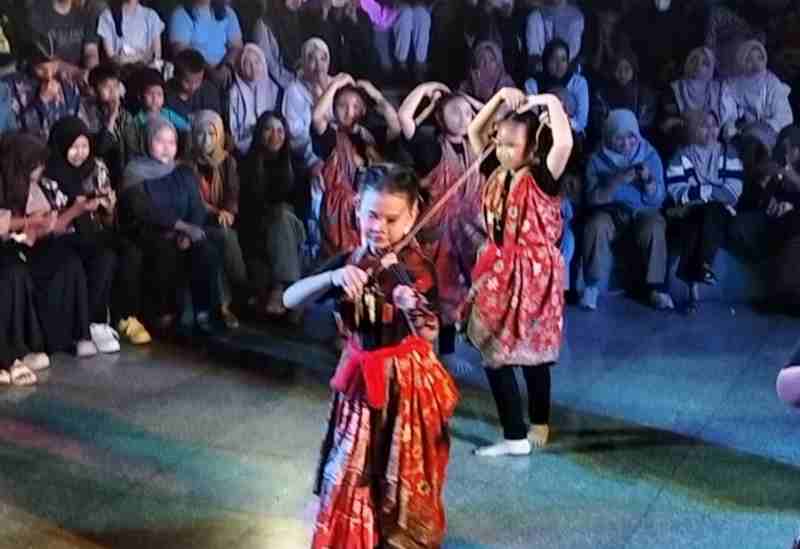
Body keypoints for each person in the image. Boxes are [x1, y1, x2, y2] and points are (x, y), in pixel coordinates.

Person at [283, 164, 459, 548]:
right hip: (361, 383)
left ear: (413, 215)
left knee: (400, 471)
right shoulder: (351, 259)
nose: (379, 227)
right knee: (353, 469)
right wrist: (331, 278)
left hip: (405, 380)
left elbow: (429, 330)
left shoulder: (415, 266)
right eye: (371, 215)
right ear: (357, 209)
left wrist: (406, 296)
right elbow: (288, 298)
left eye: (392, 219)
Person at [465, 88, 572, 455]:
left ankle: (537, 421)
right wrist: (497, 99)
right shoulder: (495, 171)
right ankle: (514, 433)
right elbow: (474, 134)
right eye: (501, 142)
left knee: (533, 355)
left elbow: (564, 144)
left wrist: (548, 102)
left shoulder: (542, 178)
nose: (502, 150)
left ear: (532, 149)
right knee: (495, 352)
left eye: (512, 145)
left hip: (534, 279)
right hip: (499, 271)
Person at [46, 116, 152, 345]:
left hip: (93, 232)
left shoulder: (96, 167)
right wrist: (79, 208)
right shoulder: (50, 174)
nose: (80, 153)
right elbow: (52, 227)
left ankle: (124, 316)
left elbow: (107, 221)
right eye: (73, 147)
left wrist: (109, 208)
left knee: (129, 250)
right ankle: (94, 323)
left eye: (84, 146)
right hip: (65, 237)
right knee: (105, 255)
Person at [398, 81, 485, 356]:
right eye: (455, 111)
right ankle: (422, 351)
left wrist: (467, 101)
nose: (463, 117)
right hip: (437, 236)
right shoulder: (432, 148)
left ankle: (447, 353)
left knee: (458, 298)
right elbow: (404, 119)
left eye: (467, 113)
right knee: (432, 293)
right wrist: (427, 89)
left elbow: (498, 115)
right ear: (439, 116)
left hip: (468, 233)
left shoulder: (479, 146)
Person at [0, 133, 103, 358]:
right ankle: (21, 348)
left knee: (68, 261)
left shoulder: (34, 186)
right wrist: (30, 222)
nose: (40, 169)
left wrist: (53, 220)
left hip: (29, 245)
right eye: (36, 164)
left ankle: (75, 335)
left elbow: (47, 228)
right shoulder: (4, 183)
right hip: (10, 249)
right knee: (14, 273)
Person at [118, 116, 223, 336]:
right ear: (147, 141)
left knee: (205, 248)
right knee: (163, 250)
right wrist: (181, 227)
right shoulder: (135, 172)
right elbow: (142, 209)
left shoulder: (183, 171)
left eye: (172, 142)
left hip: (182, 232)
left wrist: (188, 231)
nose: (167, 148)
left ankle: (206, 313)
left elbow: (197, 206)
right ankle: (162, 315)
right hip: (149, 232)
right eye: (160, 141)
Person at [580, 109, 672, 311]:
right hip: (611, 211)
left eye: (631, 137)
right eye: (619, 138)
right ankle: (592, 287)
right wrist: (617, 180)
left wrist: (648, 181)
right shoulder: (597, 159)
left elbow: (658, 199)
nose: (626, 144)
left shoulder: (649, 154)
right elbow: (592, 199)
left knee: (655, 226)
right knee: (596, 225)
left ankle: (656, 289)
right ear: (609, 137)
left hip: (642, 210)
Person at [312, 74, 401, 258]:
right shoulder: (331, 137)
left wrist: (375, 95)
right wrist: (335, 84)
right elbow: (317, 117)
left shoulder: (370, 136)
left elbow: (395, 126)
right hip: (338, 213)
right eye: (342, 106)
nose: (349, 112)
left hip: (370, 210)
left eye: (355, 106)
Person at [666, 110, 744, 312]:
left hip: (720, 213)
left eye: (714, 125)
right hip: (692, 212)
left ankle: (694, 276)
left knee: (710, 211)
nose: (710, 130)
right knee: (697, 218)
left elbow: (733, 192)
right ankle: (702, 271)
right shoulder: (681, 155)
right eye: (703, 125)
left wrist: (701, 192)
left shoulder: (729, 153)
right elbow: (677, 191)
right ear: (693, 130)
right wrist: (711, 191)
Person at [239, 111, 306, 318]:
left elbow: (301, 210)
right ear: (259, 132)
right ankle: (287, 293)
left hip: (291, 229)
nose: (275, 135)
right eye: (269, 129)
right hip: (257, 231)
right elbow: (245, 209)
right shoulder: (246, 164)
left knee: (283, 214)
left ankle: (279, 288)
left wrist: (278, 213)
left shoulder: (296, 164)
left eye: (280, 130)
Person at [186, 109, 246, 329]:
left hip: (222, 220)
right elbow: (192, 199)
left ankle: (237, 293)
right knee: (218, 240)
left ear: (220, 135)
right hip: (197, 221)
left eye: (212, 134)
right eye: (201, 134)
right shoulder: (187, 163)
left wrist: (228, 211)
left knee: (225, 237)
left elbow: (232, 192)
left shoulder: (227, 161)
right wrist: (214, 211)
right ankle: (223, 306)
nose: (206, 140)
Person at [661, 47, 738, 145]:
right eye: (694, 60)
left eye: (705, 63)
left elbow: (730, 118)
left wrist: (728, 129)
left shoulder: (720, 89)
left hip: (717, 139)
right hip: (686, 140)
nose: (698, 66)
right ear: (688, 62)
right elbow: (667, 121)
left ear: (711, 67)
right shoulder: (675, 89)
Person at [79, 63, 134, 184]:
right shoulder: (87, 110)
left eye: (115, 86)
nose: (112, 91)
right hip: (96, 166)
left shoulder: (125, 114)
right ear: (93, 90)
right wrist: (112, 117)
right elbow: (100, 148)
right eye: (106, 87)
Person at [18, 38, 82, 139]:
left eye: (53, 67)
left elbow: (77, 126)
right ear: (30, 65)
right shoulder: (18, 87)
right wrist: (42, 100)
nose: (48, 75)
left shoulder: (70, 88)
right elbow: (19, 129)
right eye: (41, 69)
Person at [728, 39, 794, 136]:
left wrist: (761, 127)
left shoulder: (772, 82)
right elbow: (730, 116)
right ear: (741, 61)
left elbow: (785, 117)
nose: (756, 64)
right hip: (745, 134)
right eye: (749, 60)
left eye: (759, 58)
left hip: (772, 132)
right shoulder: (735, 85)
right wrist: (732, 130)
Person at [592, 48, 658, 143]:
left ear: (633, 69)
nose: (622, 74)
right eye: (618, 69)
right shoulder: (601, 94)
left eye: (627, 69)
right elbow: (600, 124)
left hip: (638, 141)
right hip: (611, 141)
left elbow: (646, 122)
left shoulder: (645, 94)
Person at [525, 38, 589, 136]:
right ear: (545, 61)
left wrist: (559, 123)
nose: (559, 65)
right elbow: (531, 119)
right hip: (540, 134)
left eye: (563, 59)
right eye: (553, 59)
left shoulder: (579, 83)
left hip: (571, 135)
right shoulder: (532, 84)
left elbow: (581, 122)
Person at [125, 67, 190, 159]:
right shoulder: (137, 120)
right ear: (140, 96)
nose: (155, 99)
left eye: (159, 94)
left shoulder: (167, 114)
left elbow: (186, 127)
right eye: (150, 94)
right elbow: (132, 145)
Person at [28, 0, 100, 82]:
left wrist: (92, 77)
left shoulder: (86, 12)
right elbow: (45, 60)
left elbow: (91, 52)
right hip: (48, 79)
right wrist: (77, 73)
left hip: (79, 80)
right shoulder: (37, 12)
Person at [362, 0, 432, 82]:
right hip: (389, 9)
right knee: (405, 14)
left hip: (414, 6)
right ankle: (401, 64)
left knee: (421, 14)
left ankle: (420, 64)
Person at [228, 43, 277, 155]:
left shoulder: (273, 88)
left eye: (256, 62)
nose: (253, 67)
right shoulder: (234, 92)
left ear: (263, 63)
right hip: (245, 148)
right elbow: (234, 129)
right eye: (247, 63)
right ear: (240, 67)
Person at [252, 0, 311, 91]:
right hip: (275, 89)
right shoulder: (264, 25)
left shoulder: (300, 19)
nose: (298, 2)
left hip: (301, 84)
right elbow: (268, 64)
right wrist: (293, 83)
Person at [169, 0, 243, 72]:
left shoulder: (228, 13)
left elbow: (237, 47)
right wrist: (211, 72)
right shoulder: (181, 14)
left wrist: (227, 68)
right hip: (196, 75)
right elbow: (182, 53)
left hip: (226, 73)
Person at [97, 0, 165, 68]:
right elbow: (113, 58)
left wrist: (133, 58)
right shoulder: (107, 16)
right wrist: (142, 56)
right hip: (119, 72)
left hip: (146, 72)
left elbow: (156, 56)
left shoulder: (151, 16)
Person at [164, 48, 224, 125]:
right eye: (187, 82)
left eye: (198, 81)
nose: (193, 87)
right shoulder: (167, 94)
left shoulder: (209, 91)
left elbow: (215, 122)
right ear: (176, 77)